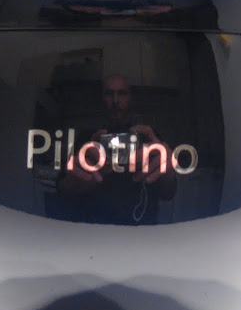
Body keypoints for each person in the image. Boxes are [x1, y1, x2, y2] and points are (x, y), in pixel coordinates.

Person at [56, 74, 176, 224]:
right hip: (93, 227)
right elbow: (62, 189)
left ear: (130, 98)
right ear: (102, 98)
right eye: (109, 93)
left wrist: (167, 175)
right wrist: (75, 184)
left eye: (122, 93)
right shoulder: (87, 138)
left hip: (141, 227)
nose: (115, 100)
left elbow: (168, 193)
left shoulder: (147, 137)